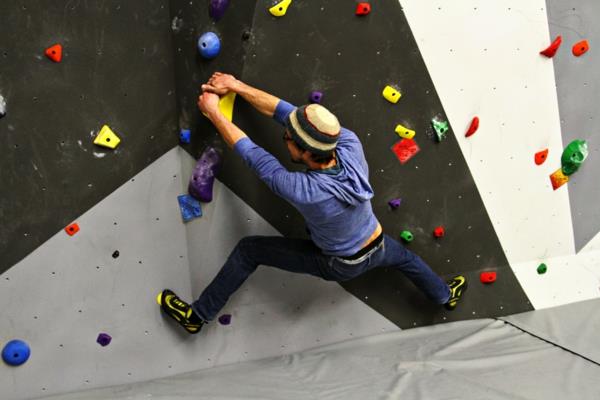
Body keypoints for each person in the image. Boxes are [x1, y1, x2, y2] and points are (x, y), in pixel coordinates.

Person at [157, 72, 467, 334]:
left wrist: (214, 113)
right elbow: (284, 112)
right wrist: (235, 85)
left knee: (249, 251)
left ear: (307, 154)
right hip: (378, 245)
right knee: (408, 261)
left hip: (338, 263)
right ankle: (443, 296)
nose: (285, 138)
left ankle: (196, 317)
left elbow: (250, 152)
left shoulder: (303, 188)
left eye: (290, 140)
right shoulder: (348, 143)